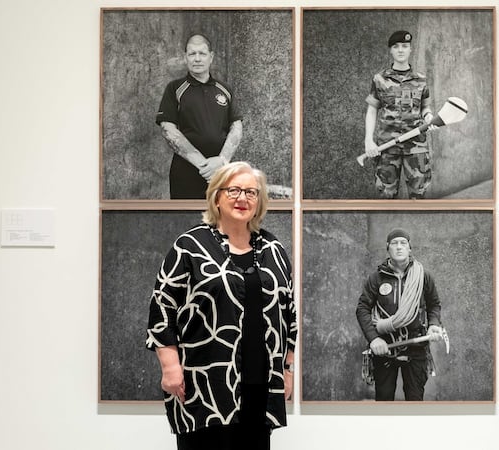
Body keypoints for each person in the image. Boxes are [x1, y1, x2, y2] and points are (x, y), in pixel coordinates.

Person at [146, 161, 296, 450]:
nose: (243, 199)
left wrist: (287, 370)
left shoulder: (273, 249)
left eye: (251, 193)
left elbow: (289, 316)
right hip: (204, 384)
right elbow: (162, 308)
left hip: (260, 385)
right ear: (217, 197)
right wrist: (170, 367)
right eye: (234, 190)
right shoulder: (190, 245)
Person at [356, 228, 444, 400]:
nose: (399, 247)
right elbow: (362, 308)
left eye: (403, 243)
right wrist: (374, 339)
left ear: (409, 248)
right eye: (394, 243)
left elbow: (434, 304)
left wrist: (434, 324)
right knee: (384, 399)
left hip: (416, 347)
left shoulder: (423, 276)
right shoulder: (377, 278)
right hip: (385, 347)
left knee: (415, 399)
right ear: (388, 248)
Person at [156, 34, 244, 199]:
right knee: (186, 222)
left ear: (211, 57)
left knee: (221, 222)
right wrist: (204, 166)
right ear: (185, 57)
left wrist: (222, 161)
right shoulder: (175, 88)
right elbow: (167, 129)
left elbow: (236, 127)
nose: (197, 59)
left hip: (221, 174)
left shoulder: (225, 89)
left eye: (202, 54)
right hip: (185, 174)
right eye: (192, 54)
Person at [363, 30, 435, 199]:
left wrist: (429, 117)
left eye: (405, 46)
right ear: (391, 50)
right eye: (396, 47)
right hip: (387, 146)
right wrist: (368, 140)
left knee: (419, 196)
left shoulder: (421, 80)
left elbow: (425, 107)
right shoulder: (379, 79)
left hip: (416, 146)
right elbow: (372, 110)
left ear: (410, 50)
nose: (401, 50)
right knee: (386, 196)